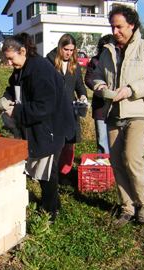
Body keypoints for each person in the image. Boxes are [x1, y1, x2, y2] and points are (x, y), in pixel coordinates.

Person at [92, 5, 144, 227]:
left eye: (119, 26)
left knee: (132, 156)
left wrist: (131, 89)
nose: (115, 31)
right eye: (112, 27)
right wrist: (100, 85)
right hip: (113, 111)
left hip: (138, 110)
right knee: (115, 160)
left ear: (132, 25)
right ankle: (127, 206)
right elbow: (95, 74)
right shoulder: (107, 51)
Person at [1, 33, 76, 222]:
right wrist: (7, 97)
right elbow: (14, 86)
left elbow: (44, 106)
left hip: (52, 126)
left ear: (23, 51)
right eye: (7, 59)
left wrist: (16, 112)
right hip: (39, 126)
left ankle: (49, 213)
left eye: (11, 58)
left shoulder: (40, 70)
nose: (9, 63)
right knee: (43, 170)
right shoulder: (22, 68)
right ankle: (54, 205)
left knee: (47, 171)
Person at [46, 33, 87, 174]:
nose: (69, 53)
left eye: (71, 50)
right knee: (56, 143)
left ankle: (65, 172)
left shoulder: (74, 64)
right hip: (54, 110)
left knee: (69, 143)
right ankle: (52, 172)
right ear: (60, 48)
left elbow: (80, 85)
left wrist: (82, 96)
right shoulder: (48, 62)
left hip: (71, 110)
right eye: (66, 49)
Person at [85, 34, 113, 154]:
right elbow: (88, 78)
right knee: (102, 139)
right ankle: (103, 166)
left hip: (116, 107)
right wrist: (99, 87)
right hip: (100, 107)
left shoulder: (119, 61)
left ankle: (115, 168)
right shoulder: (95, 61)